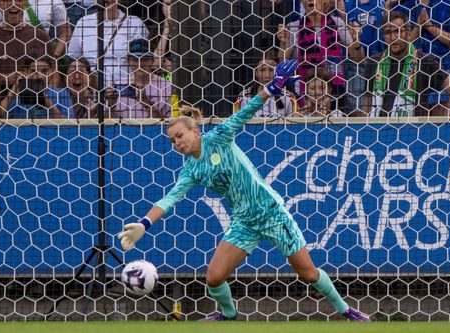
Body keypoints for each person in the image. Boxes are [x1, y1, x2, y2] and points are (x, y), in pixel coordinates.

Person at [117, 59, 370, 322]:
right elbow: (170, 197)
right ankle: (228, 315)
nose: (177, 142)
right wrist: (145, 224)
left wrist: (271, 88)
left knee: (308, 274)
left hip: (272, 213)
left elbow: (244, 112)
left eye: (180, 135)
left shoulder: (219, 138)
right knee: (214, 278)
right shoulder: (191, 170)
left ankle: (346, 310)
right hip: (244, 222)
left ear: (195, 130)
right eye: (172, 140)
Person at [362, 11, 450, 117]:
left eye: (398, 31)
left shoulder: (424, 61)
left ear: (408, 33)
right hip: (378, 130)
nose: (393, 37)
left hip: (414, 130)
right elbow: (367, 103)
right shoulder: (374, 62)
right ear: (383, 35)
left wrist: (440, 125)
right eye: (388, 32)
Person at [0, 0, 54, 101]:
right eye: (7, 0)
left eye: (18, 0)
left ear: (24, 4)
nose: (13, 4)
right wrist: (5, 79)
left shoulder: (40, 36)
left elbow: (54, 74)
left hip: (35, 105)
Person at [67, 0, 149, 85]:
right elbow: (74, 58)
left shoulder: (134, 23)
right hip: (93, 91)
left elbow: (143, 61)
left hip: (124, 89)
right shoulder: (83, 23)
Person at [105, 38, 171, 118]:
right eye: (135, 60)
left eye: (145, 59)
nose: (140, 63)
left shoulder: (167, 87)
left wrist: (145, 102)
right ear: (128, 61)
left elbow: (167, 124)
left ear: (153, 60)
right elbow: (107, 125)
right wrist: (111, 104)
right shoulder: (118, 86)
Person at [0, 0, 72, 59]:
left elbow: (65, 31)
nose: (13, 3)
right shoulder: (2, 2)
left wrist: (54, 56)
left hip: (38, 55)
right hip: (6, 54)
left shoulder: (53, 1)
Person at [0, 56, 73, 118]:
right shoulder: (19, 96)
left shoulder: (61, 94)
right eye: (34, 71)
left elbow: (70, 125)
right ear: (26, 72)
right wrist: (13, 90)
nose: (40, 76)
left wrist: (51, 106)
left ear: (51, 72)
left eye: (44, 71)